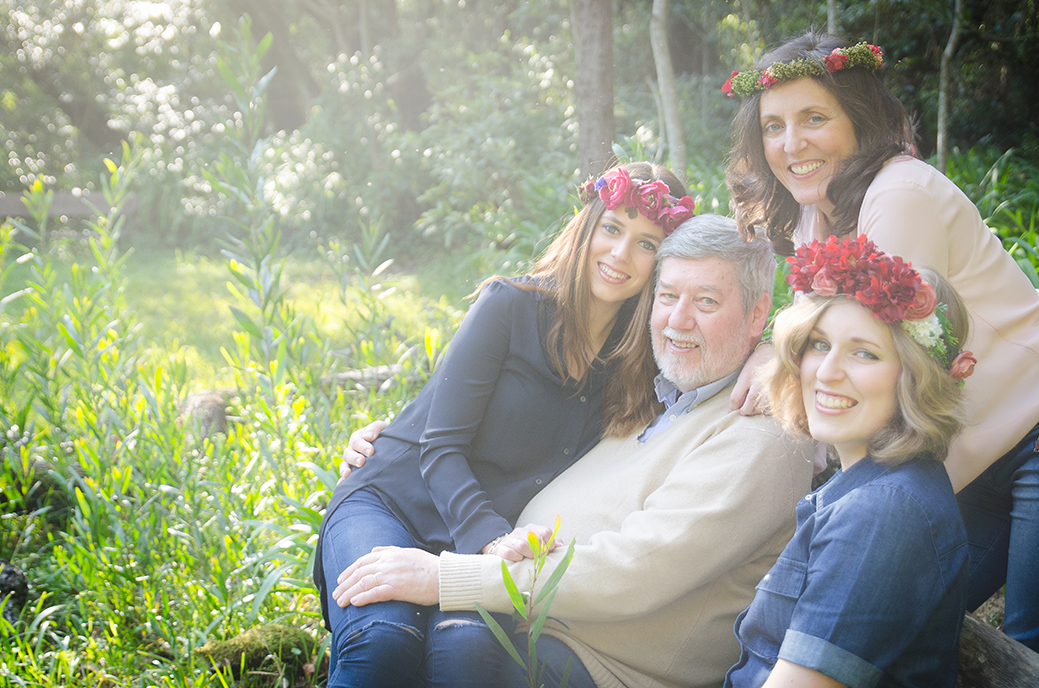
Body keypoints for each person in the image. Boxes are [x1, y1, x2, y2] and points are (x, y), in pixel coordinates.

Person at [333, 215, 815, 688]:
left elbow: (634, 573)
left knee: (437, 650)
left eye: (706, 302)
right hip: (512, 600)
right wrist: (394, 439)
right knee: (391, 641)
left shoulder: (760, 434)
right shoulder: (651, 389)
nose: (678, 320)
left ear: (757, 314)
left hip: (592, 661)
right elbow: (480, 418)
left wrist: (445, 577)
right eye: (668, 296)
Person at [315, 162, 696, 688]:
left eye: (646, 243)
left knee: (467, 655)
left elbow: (721, 341)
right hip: (396, 502)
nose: (620, 254)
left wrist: (767, 355)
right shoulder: (509, 305)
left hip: (485, 542)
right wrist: (493, 543)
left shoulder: (638, 361)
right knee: (384, 637)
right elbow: (440, 446)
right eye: (611, 228)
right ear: (586, 227)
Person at [725, 32, 1039, 650]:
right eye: (773, 127)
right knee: (900, 629)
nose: (791, 144)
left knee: (1028, 641)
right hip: (969, 446)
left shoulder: (900, 194)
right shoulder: (818, 209)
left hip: (1030, 429)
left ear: (860, 119)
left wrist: (776, 354)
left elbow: (877, 361)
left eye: (814, 119)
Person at [726, 236, 971, 687]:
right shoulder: (871, 486)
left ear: (915, 379)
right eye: (819, 344)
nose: (827, 372)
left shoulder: (885, 512)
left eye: (864, 353)